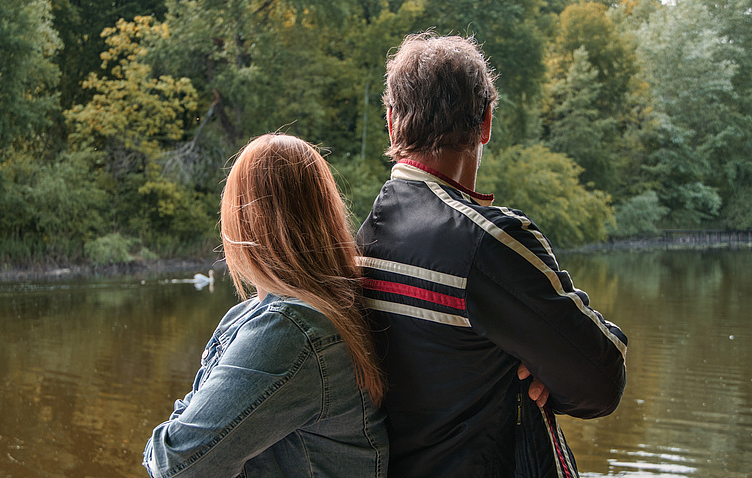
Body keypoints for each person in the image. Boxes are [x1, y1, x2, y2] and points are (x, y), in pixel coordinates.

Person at [356, 33, 628, 477]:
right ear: (485, 123)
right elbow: (602, 380)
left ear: (390, 122)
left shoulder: (357, 247)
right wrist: (544, 369)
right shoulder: (490, 243)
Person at [144, 133, 388, 477]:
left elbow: (176, 463)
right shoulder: (328, 306)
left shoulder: (291, 330)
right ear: (327, 212)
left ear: (242, 220)